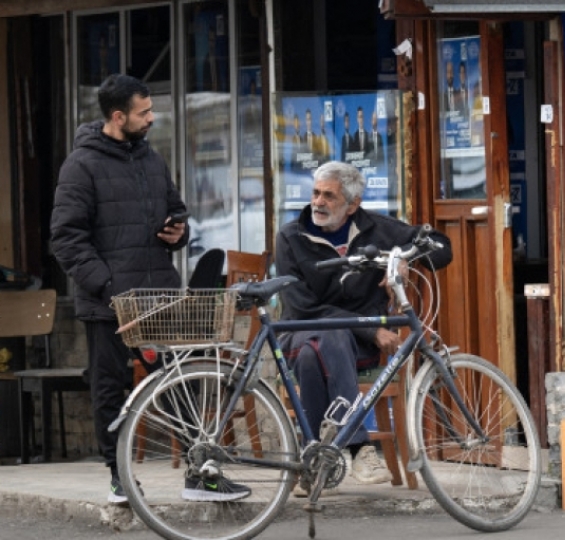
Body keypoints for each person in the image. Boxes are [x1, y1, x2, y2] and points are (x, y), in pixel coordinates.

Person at [51, 74, 248, 505]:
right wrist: (106, 284)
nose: (151, 118)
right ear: (118, 116)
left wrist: (177, 231)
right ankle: (119, 477)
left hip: (159, 293)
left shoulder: (151, 160)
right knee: (109, 386)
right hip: (110, 302)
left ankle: (202, 475)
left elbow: (176, 211)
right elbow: (65, 238)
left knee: (183, 383)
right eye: (144, 112)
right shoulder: (80, 165)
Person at [275, 161, 452, 485]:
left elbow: (442, 249)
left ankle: (315, 462)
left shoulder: (377, 230)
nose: (318, 202)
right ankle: (359, 448)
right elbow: (304, 308)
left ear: (353, 205)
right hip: (300, 332)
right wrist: (369, 328)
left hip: (358, 348)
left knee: (320, 351)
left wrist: (402, 257)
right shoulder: (290, 237)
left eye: (329, 196)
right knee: (326, 340)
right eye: (316, 193)